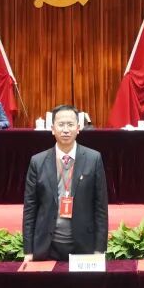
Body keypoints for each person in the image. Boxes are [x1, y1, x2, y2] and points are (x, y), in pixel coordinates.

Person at [22, 105, 109, 261]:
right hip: (47, 247)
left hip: (84, 246)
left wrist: (99, 249)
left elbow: (100, 207)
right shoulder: (38, 161)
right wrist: (28, 250)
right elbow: (30, 209)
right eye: (61, 124)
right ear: (52, 129)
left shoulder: (93, 159)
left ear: (78, 128)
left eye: (70, 124)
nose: (66, 130)